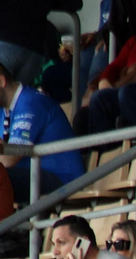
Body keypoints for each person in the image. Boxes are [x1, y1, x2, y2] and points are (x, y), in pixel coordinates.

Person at [0, 60, 86, 198]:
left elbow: (9, 159)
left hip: (63, 180)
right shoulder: (4, 110)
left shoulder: (30, 102)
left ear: (1, 81)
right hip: (34, 175)